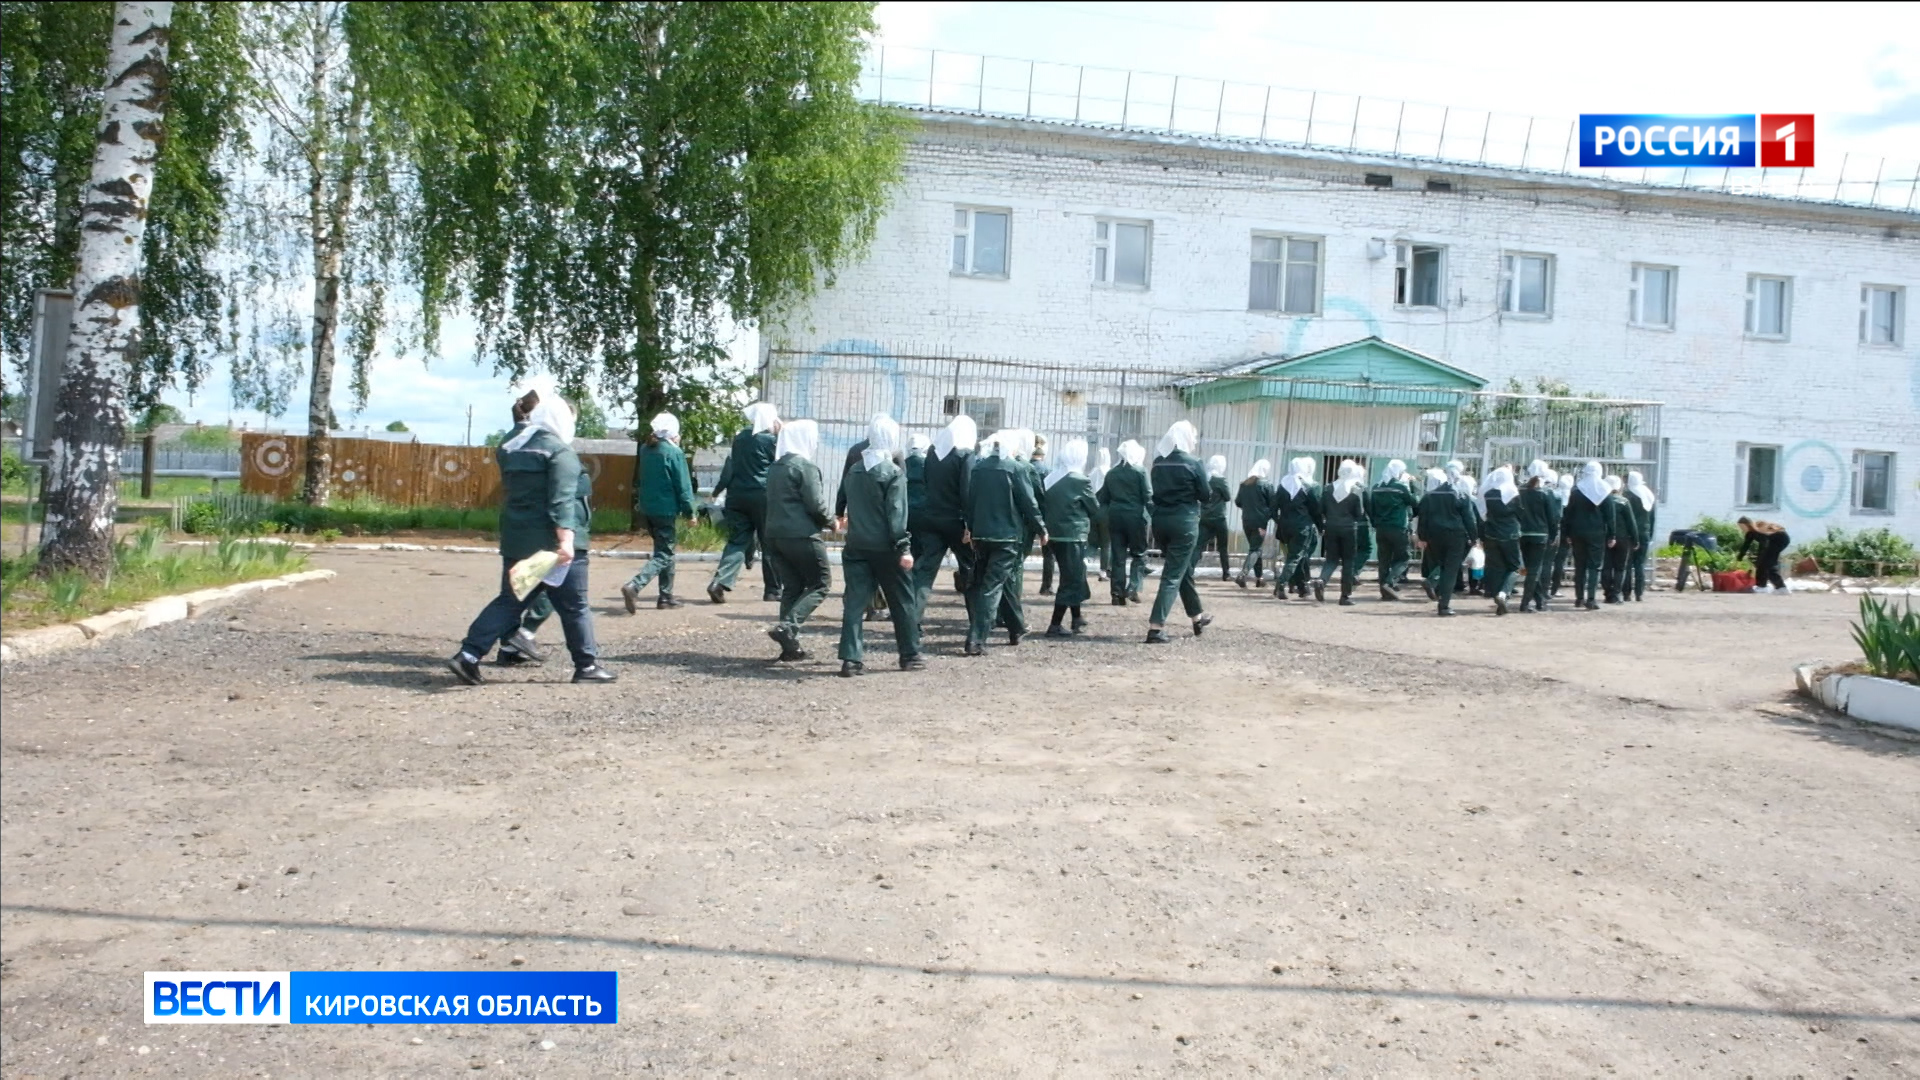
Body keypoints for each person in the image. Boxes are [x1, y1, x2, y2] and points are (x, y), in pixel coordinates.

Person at [448, 389, 614, 685]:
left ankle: (468, 655)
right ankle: (586, 666)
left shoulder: (512, 449)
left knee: (510, 601)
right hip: (553, 547)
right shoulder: (560, 452)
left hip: (518, 539)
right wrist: (565, 541)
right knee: (575, 606)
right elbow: (561, 501)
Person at [837, 415, 924, 677]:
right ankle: (909, 655)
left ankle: (851, 660)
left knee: (854, 603)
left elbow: (844, 500)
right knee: (902, 601)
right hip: (886, 548)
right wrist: (904, 548)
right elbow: (897, 515)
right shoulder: (893, 473)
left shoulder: (855, 469)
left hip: (856, 545)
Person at [964, 429, 1046, 655]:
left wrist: (969, 528)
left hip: (981, 534)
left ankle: (1016, 627)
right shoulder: (1016, 468)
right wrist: (1041, 528)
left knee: (998, 582)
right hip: (1007, 537)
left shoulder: (979, 468)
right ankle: (976, 639)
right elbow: (1028, 503)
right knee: (993, 586)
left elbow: (971, 501)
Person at [764, 419, 834, 661]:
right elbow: (815, 504)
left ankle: (789, 647)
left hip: (773, 535)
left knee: (792, 587)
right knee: (821, 583)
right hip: (801, 534)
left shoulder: (775, 467)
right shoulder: (804, 467)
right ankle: (788, 628)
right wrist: (832, 522)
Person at [705, 402, 781, 604]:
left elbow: (731, 467)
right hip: (763, 496)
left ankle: (719, 582)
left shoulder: (740, 438)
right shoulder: (771, 440)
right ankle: (772, 590)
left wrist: (718, 490)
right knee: (769, 542)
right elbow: (781, 463)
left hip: (737, 496)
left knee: (737, 541)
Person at [621, 412, 696, 612]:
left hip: (648, 509)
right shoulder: (674, 453)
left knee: (663, 550)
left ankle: (665, 596)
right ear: (673, 433)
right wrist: (691, 512)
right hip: (666, 509)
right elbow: (683, 485)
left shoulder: (646, 449)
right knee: (665, 553)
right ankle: (635, 585)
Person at [1145, 421, 1213, 643]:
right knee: (1173, 574)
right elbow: (1205, 494)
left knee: (1180, 569)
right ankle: (1156, 627)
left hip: (1160, 521)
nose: (1194, 441)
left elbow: (1154, 493)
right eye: (1193, 436)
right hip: (1184, 521)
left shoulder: (1157, 462)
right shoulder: (1193, 462)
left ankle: (1197, 617)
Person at [914, 415, 978, 609]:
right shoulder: (966, 455)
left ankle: (911, 624)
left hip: (932, 517)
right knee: (969, 567)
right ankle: (976, 625)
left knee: (924, 572)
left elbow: (926, 482)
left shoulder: (933, 452)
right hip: (957, 521)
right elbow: (967, 491)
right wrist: (971, 524)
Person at [1041, 437, 1100, 637]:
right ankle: (1055, 624)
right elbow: (1094, 507)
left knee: (1074, 574)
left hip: (1054, 535)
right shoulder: (1080, 480)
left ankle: (1076, 617)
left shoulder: (1051, 477)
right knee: (1071, 579)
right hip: (1073, 534)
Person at [1414, 462, 1477, 617]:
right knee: (1450, 569)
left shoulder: (1430, 495)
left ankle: (1433, 581)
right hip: (1456, 536)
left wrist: (1422, 536)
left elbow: (1423, 517)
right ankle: (1444, 605)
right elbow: (1469, 518)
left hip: (1434, 536)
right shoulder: (1461, 494)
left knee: (1441, 564)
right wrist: (1474, 537)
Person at [1099, 440, 1151, 605]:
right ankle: (1133, 587)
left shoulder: (1111, 473)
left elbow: (1103, 498)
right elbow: (1148, 496)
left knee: (1118, 557)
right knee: (1139, 554)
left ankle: (1116, 593)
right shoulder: (1140, 471)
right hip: (1135, 517)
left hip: (1115, 517)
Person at [1316, 460, 1370, 606]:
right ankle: (1344, 596)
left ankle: (1322, 580)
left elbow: (1320, 510)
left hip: (1331, 527)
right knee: (1348, 562)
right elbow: (1359, 513)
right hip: (1349, 529)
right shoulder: (1355, 490)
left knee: (1331, 559)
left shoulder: (1328, 489)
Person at [1562, 462, 1614, 611]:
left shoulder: (1577, 491)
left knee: (1580, 566)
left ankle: (1579, 598)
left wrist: (1566, 533)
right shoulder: (1604, 491)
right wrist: (1612, 534)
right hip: (1596, 533)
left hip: (1577, 533)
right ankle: (1591, 598)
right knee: (1594, 566)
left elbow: (1568, 514)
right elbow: (1610, 516)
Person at [1270, 457, 1323, 600]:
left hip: (1285, 527)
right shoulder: (1308, 486)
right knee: (1295, 557)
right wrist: (1320, 527)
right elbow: (1316, 510)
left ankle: (1302, 587)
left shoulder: (1282, 485)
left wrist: (1279, 521)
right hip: (1302, 527)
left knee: (1298, 556)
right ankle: (1280, 584)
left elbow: (1273, 508)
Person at [1476, 465, 1523, 615]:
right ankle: (1503, 594)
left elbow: (1483, 513)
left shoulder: (1488, 493)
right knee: (1515, 566)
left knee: (1496, 567)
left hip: (1491, 534)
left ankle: (1497, 596)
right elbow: (1520, 512)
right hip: (1510, 534)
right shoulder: (1513, 493)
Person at [1368, 460, 1417, 600]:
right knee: (1403, 558)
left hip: (1381, 529)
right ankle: (1389, 582)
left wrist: (1375, 523)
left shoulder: (1376, 487)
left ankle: (1384, 590)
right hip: (1398, 527)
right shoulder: (1400, 487)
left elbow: (1372, 508)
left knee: (1383, 559)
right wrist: (1411, 485)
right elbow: (1414, 501)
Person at [1515, 461, 1557, 613]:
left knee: (1531, 569)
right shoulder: (1546, 493)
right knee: (1534, 570)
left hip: (1523, 534)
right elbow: (1552, 517)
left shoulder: (1520, 491)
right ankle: (1525, 603)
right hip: (1540, 534)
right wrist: (1553, 535)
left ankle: (1540, 601)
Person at [1233, 459, 1273, 589]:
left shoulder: (1244, 484)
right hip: (1260, 522)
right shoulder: (1266, 485)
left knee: (1255, 549)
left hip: (1246, 520)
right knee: (1255, 549)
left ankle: (1259, 578)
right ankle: (1242, 575)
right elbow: (1273, 503)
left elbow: (1238, 502)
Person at [1624, 470, 1658, 601]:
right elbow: (1653, 518)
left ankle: (1626, 593)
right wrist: (1650, 535)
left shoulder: (1628, 495)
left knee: (1627, 564)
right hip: (1644, 533)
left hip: (1629, 534)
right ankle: (1639, 593)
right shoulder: (1648, 495)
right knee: (1640, 564)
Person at [1199, 455, 1233, 583]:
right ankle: (1226, 573)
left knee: (1199, 545)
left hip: (1204, 516)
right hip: (1219, 517)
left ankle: (1189, 569)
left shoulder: (1204, 478)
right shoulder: (1220, 480)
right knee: (1223, 547)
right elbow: (1228, 496)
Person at [1601, 475, 1635, 604]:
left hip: (1605, 537)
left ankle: (1607, 593)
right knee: (1620, 568)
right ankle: (1616, 593)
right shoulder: (1624, 501)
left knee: (1606, 566)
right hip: (1623, 538)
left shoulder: (1601, 501)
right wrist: (1635, 539)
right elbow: (1631, 523)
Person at [1737, 517, 1792, 592]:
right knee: (1765, 564)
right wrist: (1740, 557)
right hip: (1780, 539)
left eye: (1742, 526)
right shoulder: (1752, 533)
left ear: (1747, 525)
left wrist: (1740, 558)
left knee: (1765, 564)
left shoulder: (1755, 532)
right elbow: (1748, 546)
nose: (1741, 529)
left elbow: (1761, 545)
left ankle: (1769, 587)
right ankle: (1773, 587)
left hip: (1780, 539)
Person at [1088, 447, 1114, 583]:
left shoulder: (1092, 473)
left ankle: (1084, 561)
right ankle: (1104, 571)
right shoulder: (1109, 473)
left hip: (1093, 510)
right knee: (1106, 543)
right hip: (1106, 511)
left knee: (1092, 542)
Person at [1549, 470, 1576, 597]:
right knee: (1560, 561)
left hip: (1552, 531)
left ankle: (1543, 586)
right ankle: (1554, 588)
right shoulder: (1572, 497)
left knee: (1548, 561)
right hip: (1566, 534)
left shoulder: (1555, 494)